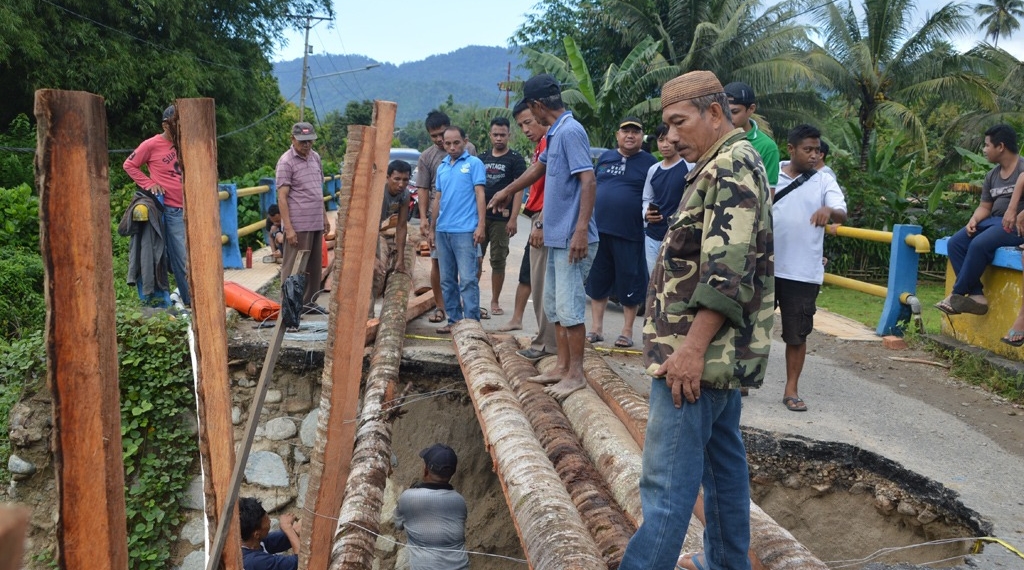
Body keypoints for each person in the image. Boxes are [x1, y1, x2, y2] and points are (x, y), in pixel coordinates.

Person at [617, 70, 774, 570]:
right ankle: (727, 564)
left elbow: (726, 271)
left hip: (696, 357)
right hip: (711, 357)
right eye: (666, 126)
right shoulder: (723, 162)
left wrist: (690, 351)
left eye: (679, 122)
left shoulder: (729, 166)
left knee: (666, 479)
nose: (671, 136)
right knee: (721, 468)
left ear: (713, 111)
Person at [488, 74, 599, 398]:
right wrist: (507, 191)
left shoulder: (571, 130)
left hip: (572, 238)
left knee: (569, 307)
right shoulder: (555, 133)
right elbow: (538, 168)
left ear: (537, 105)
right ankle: (562, 366)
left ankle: (575, 373)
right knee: (552, 304)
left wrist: (580, 230)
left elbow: (588, 181)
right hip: (556, 236)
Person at [773, 124, 848, 412]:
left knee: (797, 333)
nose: (815, 155)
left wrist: (829, 211)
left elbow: (841, 209)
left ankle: (791, 389)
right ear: (791, 149)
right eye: (808, 150)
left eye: (818, 150)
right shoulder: (770, 174)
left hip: (803, 271)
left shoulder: (823, 180)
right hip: (767, 266)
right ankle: (743, 379)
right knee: (750, 325)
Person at [936, 124, 1024, 316]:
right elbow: (985, 207)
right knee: (956, 243)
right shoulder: (991, 176)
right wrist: (973, 219)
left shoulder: (1022, 167)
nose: (984, 150)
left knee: (979, 244)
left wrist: (1014, 210)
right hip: (993, 222)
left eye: (987, 145)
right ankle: (976, 295)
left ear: (1000, 146)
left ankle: (956, 294)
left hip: (1015, 227)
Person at [586, 117, 658, 348]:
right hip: (600, 231)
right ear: (617, 135)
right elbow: (593, 186)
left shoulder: (650, 163)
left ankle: (626, 332)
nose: (630, 135)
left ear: (641, 136)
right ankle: (596, 329)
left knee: (630, 282)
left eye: (635, 132)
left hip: (630, 233)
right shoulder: (606, 157)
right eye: (625, 131)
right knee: (598, 282)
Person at [496, 102, 559, 362]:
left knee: (544, 285)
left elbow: (555, 185)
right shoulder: (541, 145)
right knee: (535, 280)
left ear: (541, 113)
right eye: (521, 125)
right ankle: (545, 340)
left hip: (545, 219)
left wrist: (541, 222)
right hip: (537, 216)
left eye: (528, 122)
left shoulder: (553, 141)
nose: (525, 129)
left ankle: (548, 345)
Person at [123, 105, 190, 307]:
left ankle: (192, 296)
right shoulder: (152, 145)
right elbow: (129, 165)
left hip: (193, 207)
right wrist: (150, 184)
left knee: (195, 256)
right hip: (172, 209)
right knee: (181, 257)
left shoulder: (185, 143)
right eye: (175, 124)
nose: (179, 128)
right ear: (165, 125)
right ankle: (190, 299)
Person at [415, 110, 478, 325]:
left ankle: (470, 317)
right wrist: (426, 219)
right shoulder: (428, 158)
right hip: (440, 222)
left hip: (465, 223)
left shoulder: (469, 152)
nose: (441, 141)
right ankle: (444, 310)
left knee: (469, 272)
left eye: (443, 135)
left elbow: (477, 189)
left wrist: (480, 223)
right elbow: (424, 189)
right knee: (440, 268)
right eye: (435, 137)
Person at [429, 126, 486, 333]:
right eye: (448, 143)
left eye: (456, 143)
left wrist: (481, 225)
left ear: (465, 141)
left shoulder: (474, 164)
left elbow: (480, 194)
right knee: (447, 279)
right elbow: (438, 198)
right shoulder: (442, 167)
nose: (452, 147)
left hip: (465, 231)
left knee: (469, 279)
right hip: (443, 231)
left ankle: (471, 323)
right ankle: (454, 320)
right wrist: (432, 228)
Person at [275, 122, 330, 315]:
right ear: (293, 139)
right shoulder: (286, 161)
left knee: (314, 268)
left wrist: (324, 216)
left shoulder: (315, 157)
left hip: (315, 221)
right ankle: (289, 311)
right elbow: (282, 197)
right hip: (298, 224)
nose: (306, 145)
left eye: (309, 141)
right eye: (302, 141)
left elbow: (318, 190)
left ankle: (309, 304)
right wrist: (288, 228)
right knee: (293, 268)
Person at [479, 117, 527, 317]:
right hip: (480, 217)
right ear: (490, 135)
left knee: (498, 260)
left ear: (509, 135)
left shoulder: (515, 159)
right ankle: (473, 298)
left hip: (501, 219)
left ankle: (495, 300)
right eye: (495, 134)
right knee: (475, 258)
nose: (499, 138)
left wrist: (514, 218)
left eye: (503, 135)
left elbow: (519, 190)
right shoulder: (481, 159)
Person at [394, 444, 469, 570]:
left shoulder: (408, 498)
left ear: (426, 469)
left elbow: (398, 524)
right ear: (452, 472)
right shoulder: (460, 501)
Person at [641, 123, 691, 274]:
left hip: (679, 236)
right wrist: (646, 214)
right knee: (653, 279)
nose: (665, 145)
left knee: (675, 283)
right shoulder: (653, 169)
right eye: (661, 140)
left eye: (669, 140)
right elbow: (647, 198)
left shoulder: (690, 166)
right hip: (653, 235)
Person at [371, 160, 413, 315]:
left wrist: (401, 259)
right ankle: (365, 318)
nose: (401, 184)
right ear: (387, 177)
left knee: (376, 275)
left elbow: (401, 226)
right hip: (362, 230)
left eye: (405, 180)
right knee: (370, 272)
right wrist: (371, 257)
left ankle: (370, 318)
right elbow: (369, 227)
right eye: (397, 179)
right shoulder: (379, 193)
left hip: (374, 229)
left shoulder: (405, 195)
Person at [725, 81, 779, 189]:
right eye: (724, 111)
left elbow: (768, 195)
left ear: (751, 109)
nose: (729, 117)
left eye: (735, 112)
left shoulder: (767, 147)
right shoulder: (712, 139)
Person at [239, 497, 300, 570]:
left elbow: (283, 538)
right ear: (256, 534)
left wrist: (294, 531)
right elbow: (300, 562)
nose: (270, 522)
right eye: (267, 521)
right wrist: (288, 528)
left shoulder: (250, 542)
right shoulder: (255, 562)